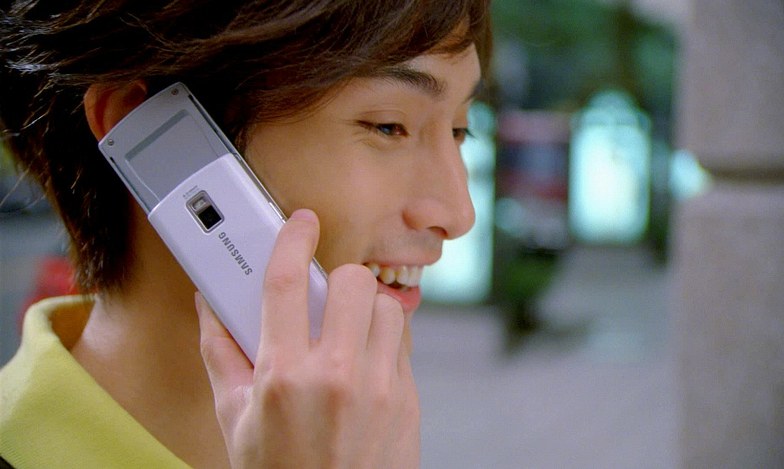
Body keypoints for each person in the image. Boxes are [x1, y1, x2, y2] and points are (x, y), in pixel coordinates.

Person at [0, 1, 492, 467]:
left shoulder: (369, 447)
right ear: (146, 129)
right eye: (388, 126)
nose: (459, 213)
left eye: (458, 130)